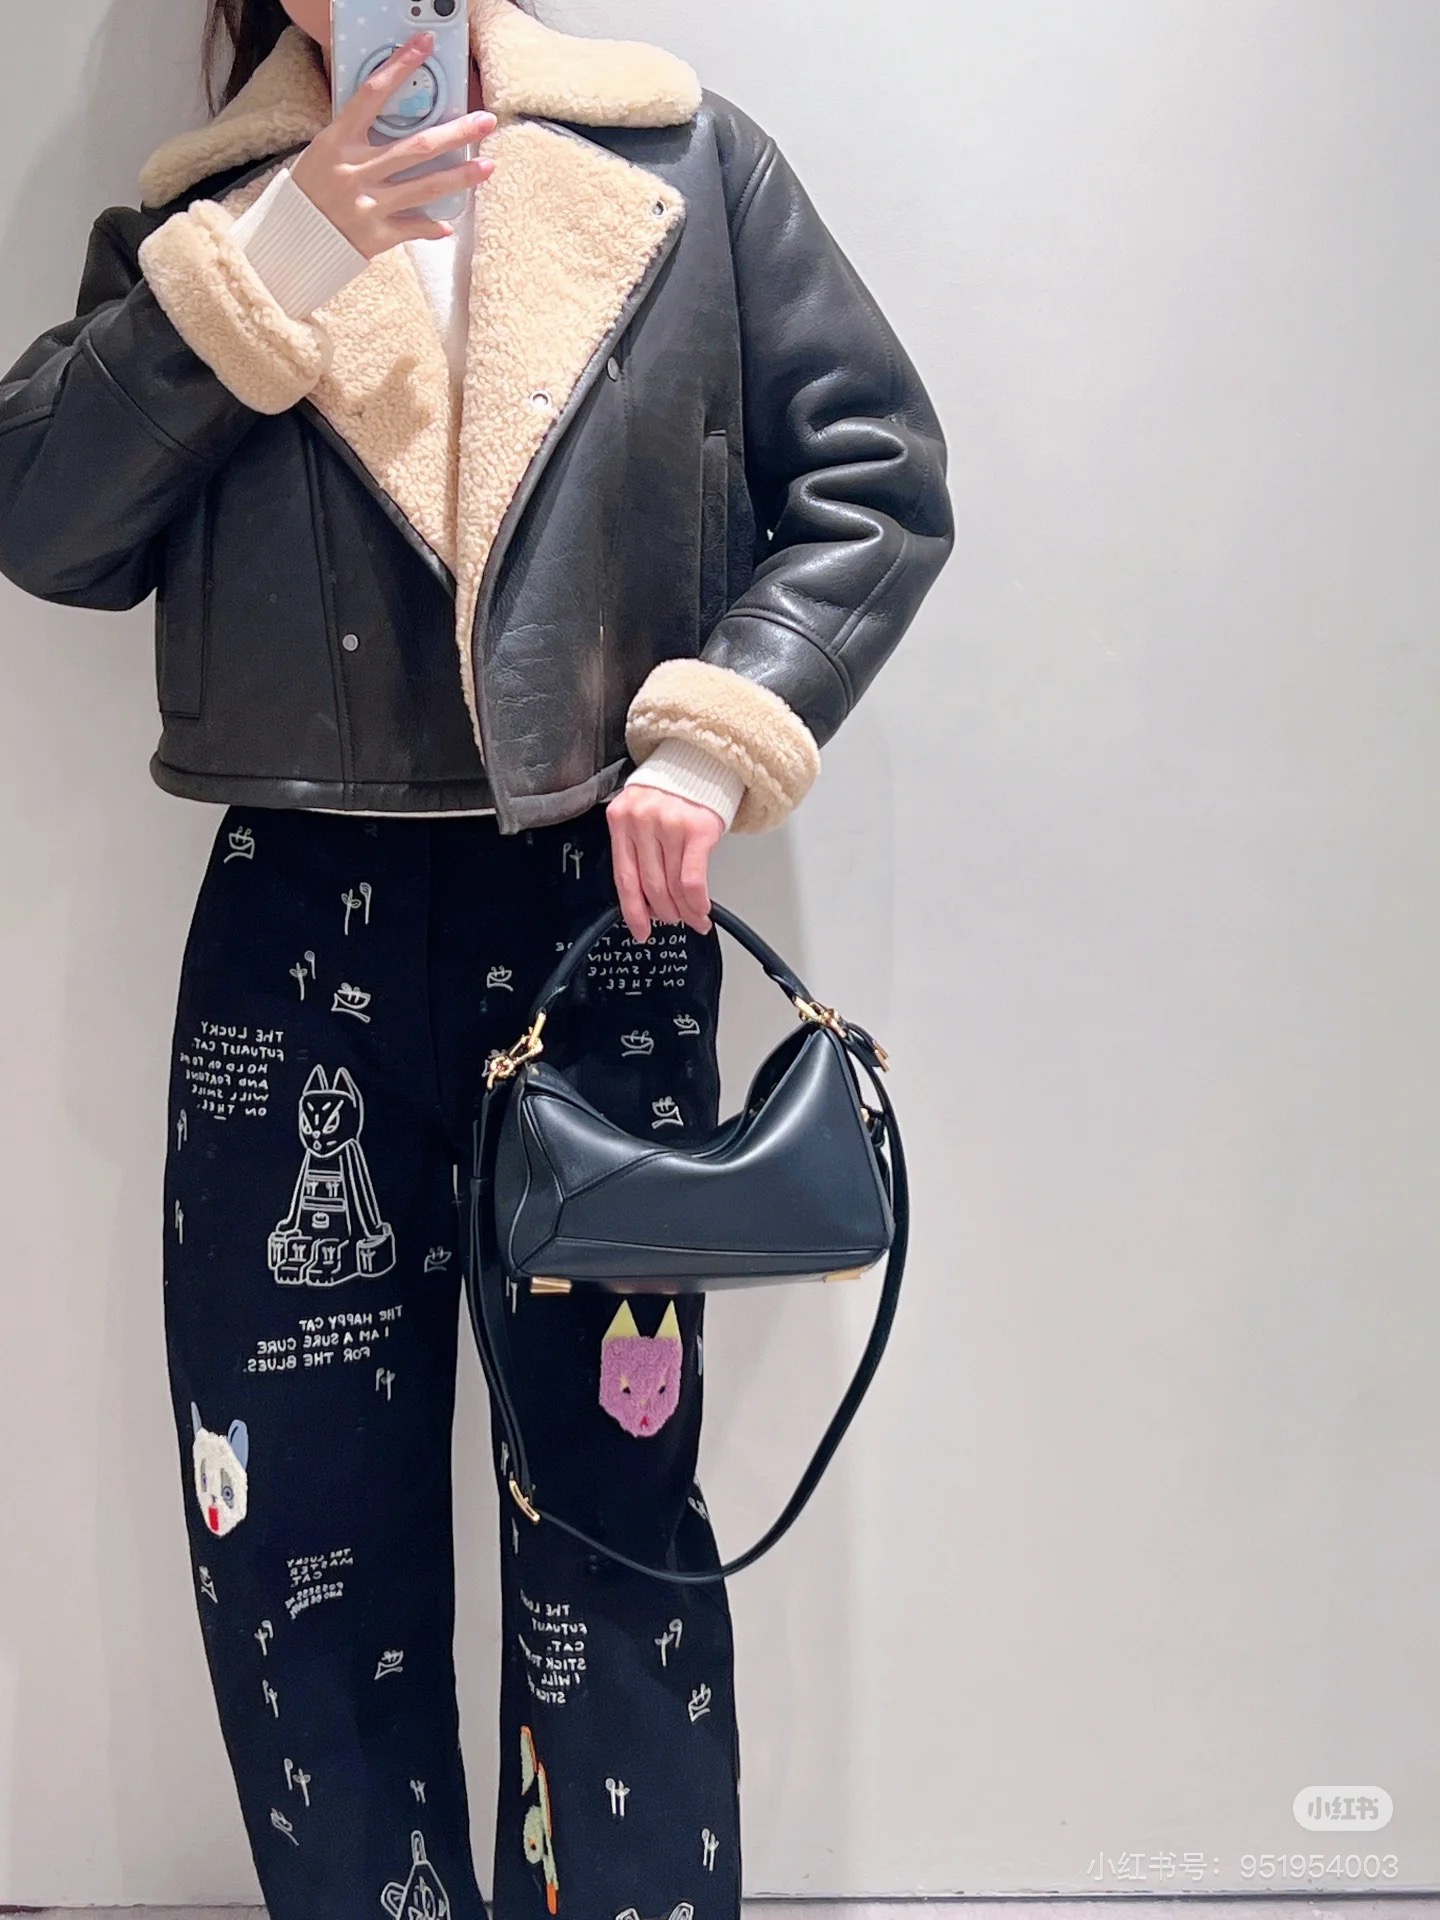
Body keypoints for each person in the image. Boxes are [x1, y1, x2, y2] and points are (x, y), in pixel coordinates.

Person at [0, 1, 953, 1915]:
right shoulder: (203, 222)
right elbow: (46, 521)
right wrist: (282, 249)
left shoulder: (681, 163)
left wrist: (712, 737)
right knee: (297, 1530)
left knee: (614, 1517)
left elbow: (876, 476)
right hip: (295, 940)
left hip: (598, 920)